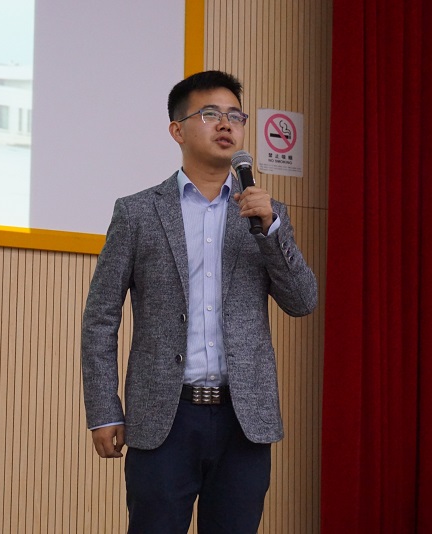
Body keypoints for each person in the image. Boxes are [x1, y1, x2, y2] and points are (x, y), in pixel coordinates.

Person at [81, 70, 318, 533]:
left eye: (235, 116)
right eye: (210, 114)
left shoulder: (265, 214)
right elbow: (100, 318)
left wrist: (271, 230)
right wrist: (104, 409)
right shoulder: (137, 212)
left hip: (243, 420)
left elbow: (302, 300)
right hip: (164, 418)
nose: (226, 124)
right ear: (177, 130)